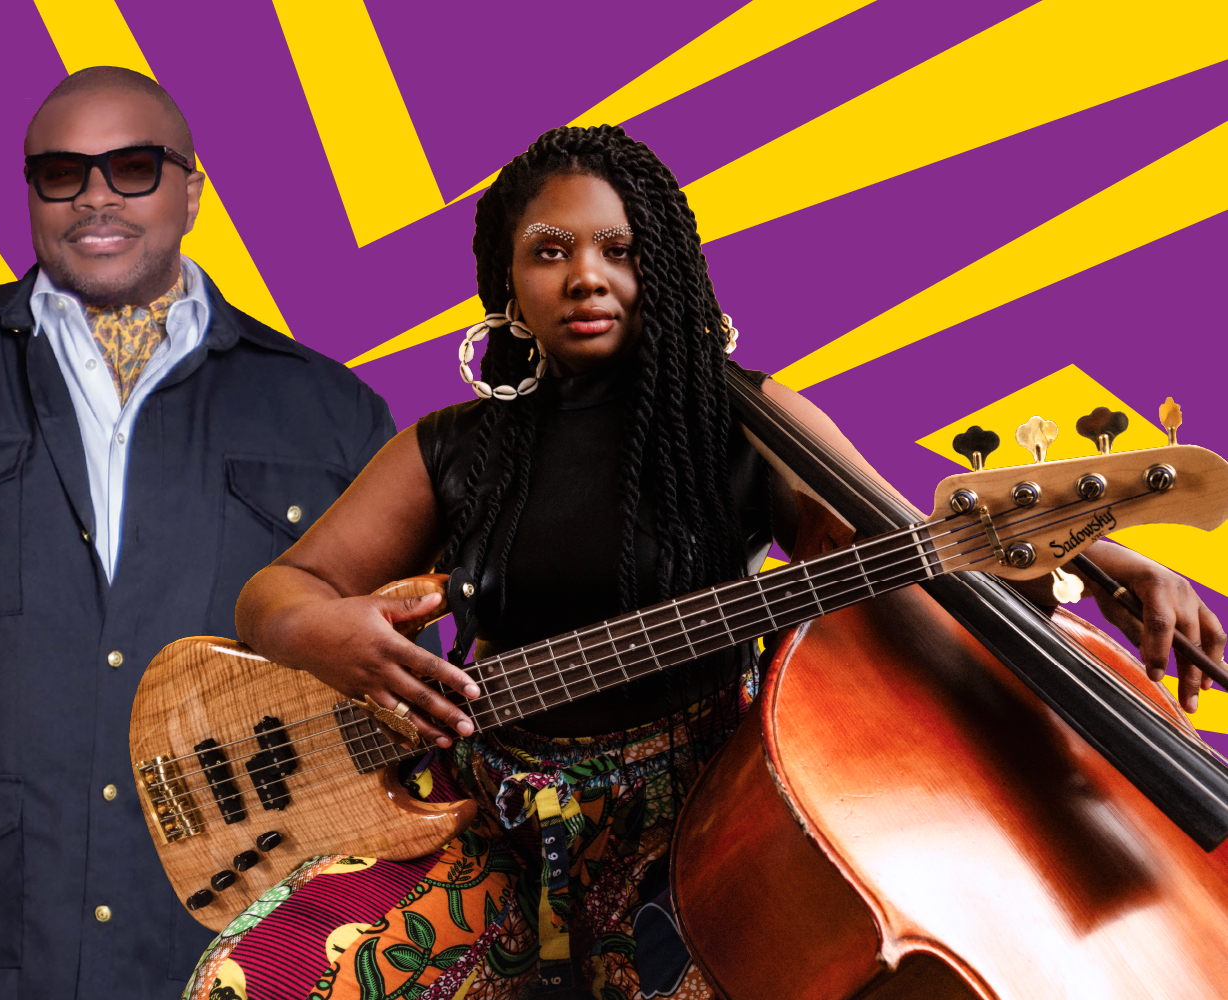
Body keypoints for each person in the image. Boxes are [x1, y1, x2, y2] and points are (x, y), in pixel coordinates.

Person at [179, 125, 1226, 1000]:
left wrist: (1100, 555)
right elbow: (279, 591)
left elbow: (908, 555)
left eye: (618, 249)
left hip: (703, 838)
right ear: (506, 274)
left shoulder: (750, 423)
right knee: (248, 980)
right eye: (550, 251)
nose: (585, 275)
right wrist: (320, 628)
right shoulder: (451, 445)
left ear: (664, 266)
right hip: (484, 818)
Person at [0, 67, 418, 999]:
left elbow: (399, 699)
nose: (96, 195)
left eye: (133, 166)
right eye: (62, 172)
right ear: (31, 194)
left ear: (192, 189)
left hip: (239, 953)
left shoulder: (330, 415)